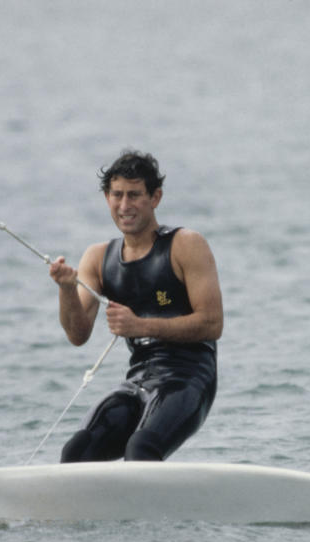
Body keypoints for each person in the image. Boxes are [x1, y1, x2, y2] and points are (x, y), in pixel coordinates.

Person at [48, 150, 223, 462]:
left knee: (141, 450)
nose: (124, 206)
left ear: (155, 197)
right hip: (138, 380)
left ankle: (151, 512)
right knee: (76, 451)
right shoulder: (98, 258)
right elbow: (77, 334)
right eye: (117, 195)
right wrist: (66, 290)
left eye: (134, 195)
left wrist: (141, 326)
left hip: (189, 379)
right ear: (106, 198)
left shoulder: (185, 244)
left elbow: (212, 324)